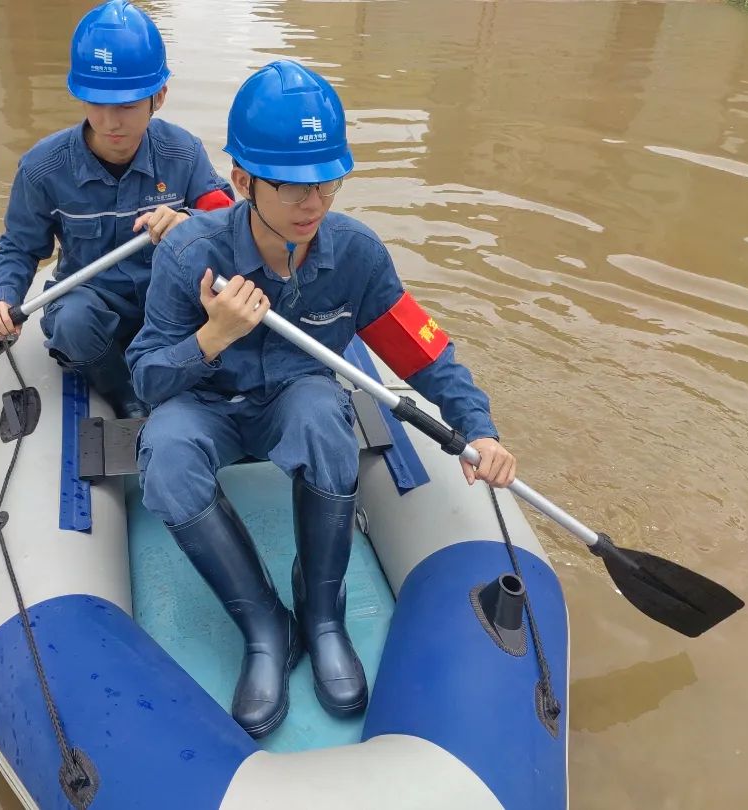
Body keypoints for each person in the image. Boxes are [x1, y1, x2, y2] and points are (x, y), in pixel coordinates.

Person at [126, 60, 518, 738]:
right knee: (164, 452)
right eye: (294, 186)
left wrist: (479, 428)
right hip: (208, 405)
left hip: (294, 401)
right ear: (243, 181)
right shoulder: (191, 254)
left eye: (328, 182)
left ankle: (322, 613)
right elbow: (148, 380)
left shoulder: (356, 254)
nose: (314, 203)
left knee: (324, 415)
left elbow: (425, 353)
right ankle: (265, 626)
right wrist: (212, 336)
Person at [0, 0, 233, 418]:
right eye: (97, 104)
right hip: (95, 303)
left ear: (159, 97)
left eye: (128, 106)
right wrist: (2, 298)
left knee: (229, 308)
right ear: (78, 95)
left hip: (168, 299)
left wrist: (187, 223)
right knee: (72, 322)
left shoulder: (184, 153)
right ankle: (125, 394)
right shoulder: (42, 168)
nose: (111, 122)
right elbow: (21, 248)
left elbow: (228, 221)